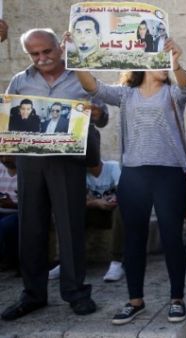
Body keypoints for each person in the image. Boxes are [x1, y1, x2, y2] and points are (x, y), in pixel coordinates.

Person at [74, 35, 186, 325]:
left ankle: (177, 299)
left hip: (170, 173)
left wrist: (175, 62)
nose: (164, 66)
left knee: (172, 238)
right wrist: (74, 54)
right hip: (134, 175)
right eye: (159, 61)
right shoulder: (126, 94)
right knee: (133, 239)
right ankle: (135, 300)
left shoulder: (172, 94)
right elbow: (92, 86)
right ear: (142, 63)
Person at [1, 28, 108, 321]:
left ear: (59, 48)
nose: (41, 58)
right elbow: (9, 119)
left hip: (69, 162)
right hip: (30, 163)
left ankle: (76, 293)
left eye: (46, 51)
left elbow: (104, 116)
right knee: (31, 227)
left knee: (71, 226)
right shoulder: (20, 81)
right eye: (34, 54)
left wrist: (98, 114)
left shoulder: (81, 79)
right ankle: (32, 294)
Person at [48, 160, 126, 282]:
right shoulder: (79, 171)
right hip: (95, 211)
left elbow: (124, 190)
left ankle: (117, 262)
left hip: (113, 212)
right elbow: (74, 199)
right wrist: (95, 202)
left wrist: (115, 198)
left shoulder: (112, 167)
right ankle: (67, 262)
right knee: (67, 211)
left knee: (122, 209)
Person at [0, 156, 18, 273]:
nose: (5, 159)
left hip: (19, 212)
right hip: (2, 210)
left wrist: (12, 205)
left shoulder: (27, 172)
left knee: (4, 225)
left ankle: (7, 260)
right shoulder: (1, 168)